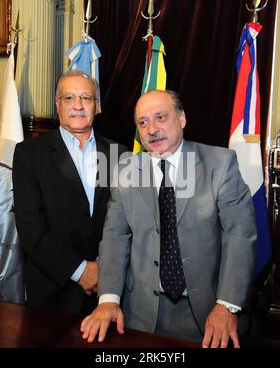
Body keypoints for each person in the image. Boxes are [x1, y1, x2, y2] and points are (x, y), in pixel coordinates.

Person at [80, 89, 257, 348]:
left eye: (160, 117)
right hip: (140, 314)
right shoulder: (125, 171)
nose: (151, 129)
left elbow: (240, 236)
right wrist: (108, 299)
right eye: (143, 122)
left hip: (209, 315)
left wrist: (226, 306)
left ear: (182, 119)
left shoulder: (220, 164)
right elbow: (115, 237)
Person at [12, 70, 127, 316]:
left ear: (96, 105)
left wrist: (103, 269)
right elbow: (30, 226)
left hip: (109, 292)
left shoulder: (119, 154)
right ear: (57, 105)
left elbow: (126, 222)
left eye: (86, 98)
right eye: (69, 98)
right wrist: (80, 270)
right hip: (53, 294)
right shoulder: (30, 154)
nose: (78, 105)